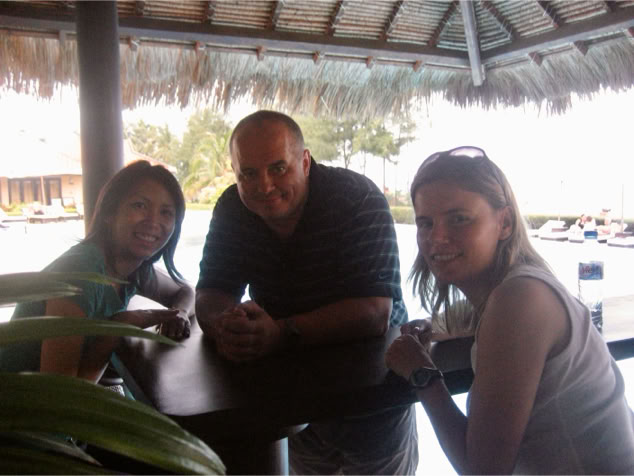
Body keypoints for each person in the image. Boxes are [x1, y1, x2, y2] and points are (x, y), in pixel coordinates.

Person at [385, 146, 634, 475]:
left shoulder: (520, 299)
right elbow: (471, 321)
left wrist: (423, 375)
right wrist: (434, 326)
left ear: (504, 222)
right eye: (425, 223)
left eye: (459, 219)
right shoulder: (514, 290)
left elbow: (483, 471)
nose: (437, 237)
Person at [196, 110, 418, 474]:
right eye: (248, 173)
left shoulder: (356, 199)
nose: (264, 186)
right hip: (292, 402)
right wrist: (228, 326)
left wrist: (279, 333)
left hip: (373, 396)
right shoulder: (233, 208)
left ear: (304, 161)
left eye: (278, 168)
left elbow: (375, 313)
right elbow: (212, 290)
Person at [0, 160, 192, 392]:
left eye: (166, 212)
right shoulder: (80, 273)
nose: (153, 222)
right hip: (19, 406)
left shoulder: (135, 269)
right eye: (139, 205)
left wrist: (180, 314)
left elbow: (184, 291)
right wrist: (117, 329)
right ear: (109, 213)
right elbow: (64, 395)